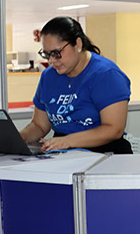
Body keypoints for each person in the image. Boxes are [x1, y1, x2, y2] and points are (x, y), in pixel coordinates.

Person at [20, 17, 133, 154]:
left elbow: (113, 129)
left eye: (56, 53)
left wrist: (68, 141)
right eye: (47, 54)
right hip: (64, 153)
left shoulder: (106, 74)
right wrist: (21, 138)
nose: (51, 61)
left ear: (78, 44)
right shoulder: (48, 76)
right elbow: (39, 125)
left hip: (104, 152)